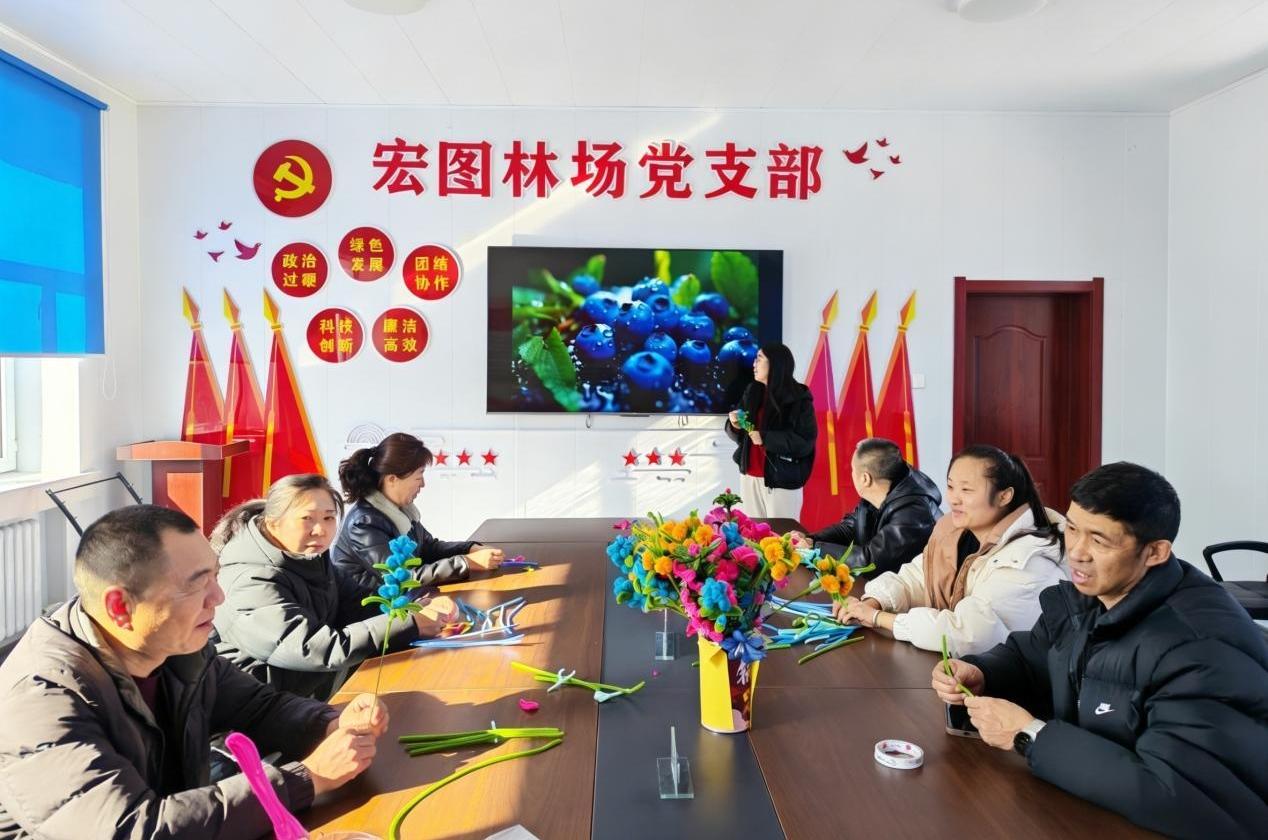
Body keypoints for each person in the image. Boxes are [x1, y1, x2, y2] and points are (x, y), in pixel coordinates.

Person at [0, 505, 391, 839]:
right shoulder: (42, 696)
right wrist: (306, 779)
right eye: (196, 585)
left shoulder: (174, 647)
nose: (218, 597)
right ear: (120, 607)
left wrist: (330, 722)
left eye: (215, 576)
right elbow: (132, 829)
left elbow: (257, 707)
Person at [934, 463, 1268, 839]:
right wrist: (982, 671)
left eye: (1099, 540)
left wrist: (1028, 735)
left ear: (1155, 551)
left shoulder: (1200, 649)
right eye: (1072, 529)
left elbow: (1181, 794)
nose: (1076, 552)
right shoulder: (1093, 596)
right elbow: (1036, 655)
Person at [211, 473, 458, 699]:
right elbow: (315, 649)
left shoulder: (309, 557)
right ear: (273, 522)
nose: (320, 530)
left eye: (328, 518)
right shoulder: (249, 581)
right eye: (307, 518)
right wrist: (409, 623)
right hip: (265, 710)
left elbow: (358, 603)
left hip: (310, 689)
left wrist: (416, 608)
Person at [836, 445, 1066, 656]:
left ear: (1004, 496)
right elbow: (918, 577)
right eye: (950, 486)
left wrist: (879, 618)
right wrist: (872, 602)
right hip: (956, 667)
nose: (954, 499)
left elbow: (969, 634)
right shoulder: (956, 531)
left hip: (1006, 681)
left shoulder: (1029, 560)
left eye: (966, 489)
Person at [331, 432, 503, 624]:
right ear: (392, 479)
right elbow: (402, 577)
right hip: (373, 620)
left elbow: (429, 548)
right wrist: (466, 563)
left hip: (402, 607)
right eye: (419, 476)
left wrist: (470, 548)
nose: (423, 484)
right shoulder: (363, 523)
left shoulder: (400, 511)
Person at [789, 437, 941, 575]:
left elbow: (871, 562)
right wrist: (811, 540)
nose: (851, 474)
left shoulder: (912, 513)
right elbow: (851, 527)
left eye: (852, 470)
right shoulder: (885, 486)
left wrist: (815, 550)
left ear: (865, 479)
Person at [724, 342, 816, 519]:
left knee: (783, 534)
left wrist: (766, 438)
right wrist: (734, 425)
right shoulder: (752, 391)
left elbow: (804, 441)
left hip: (781, 480)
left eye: (759, 359)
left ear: (775, 363)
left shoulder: (798, 396)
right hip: (749, 477)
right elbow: (742, 434)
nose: (754, 364)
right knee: (752, 532)